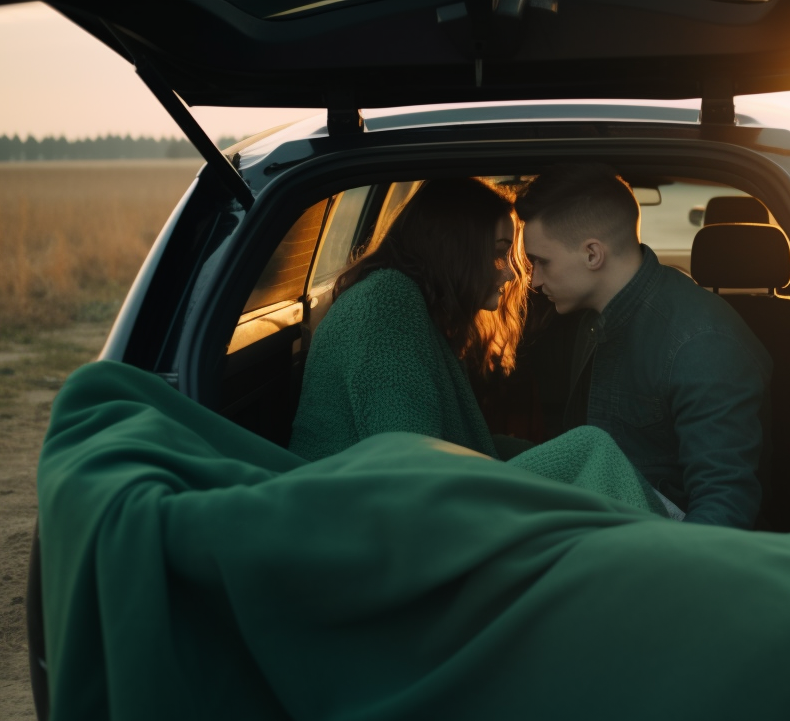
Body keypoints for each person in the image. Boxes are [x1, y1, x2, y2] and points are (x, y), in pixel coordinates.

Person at [286, 177, 668, 517]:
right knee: (590, 449)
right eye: (501, 251)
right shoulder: (385, 305)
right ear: (455, 249)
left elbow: (454, 445)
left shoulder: (409, 307)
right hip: (353, 524)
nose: (511, 272)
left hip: (373, 509)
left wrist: (539, 451)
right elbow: (410, 471)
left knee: (583, 452)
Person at [516, 164, 771, 528]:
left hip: (661, 556)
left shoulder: (701, 343)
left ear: (592, 254)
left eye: (541, 262)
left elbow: (724, 505)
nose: (535, 280)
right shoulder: (592, 319)